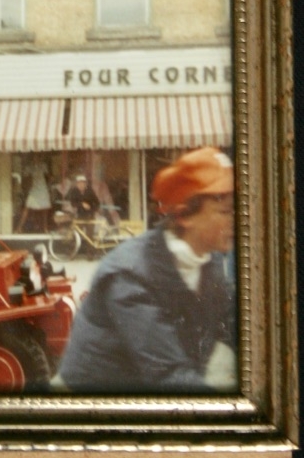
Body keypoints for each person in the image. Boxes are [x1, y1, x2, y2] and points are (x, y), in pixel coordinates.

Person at [55, 147, 237, 393]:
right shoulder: (129, 276)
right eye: (225, 211)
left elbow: (228, 320)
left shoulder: (210, 258)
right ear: (184, 216)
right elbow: (168, 376)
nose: (238, 218)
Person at [16, 153, 52, 232]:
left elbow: (48, 177)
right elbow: (25, 178)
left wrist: (49, 187)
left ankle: (45, 228)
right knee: (27, 207)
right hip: (34, 189)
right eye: (35, 157)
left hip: (43, 188)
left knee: (45, 209)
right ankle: (19, 227)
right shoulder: (30, 167)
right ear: (32, 158)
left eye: (38, 157)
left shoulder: (43, 166)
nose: (37, 159)